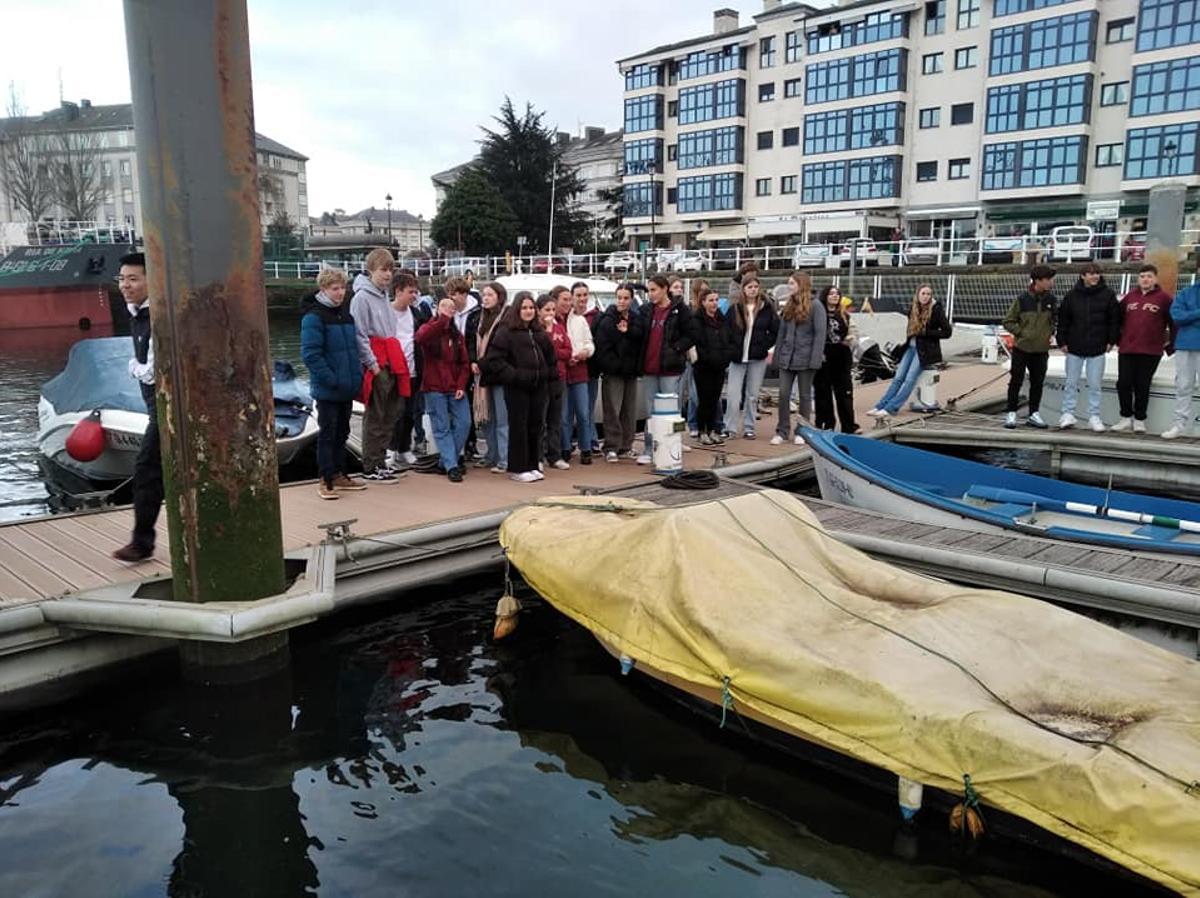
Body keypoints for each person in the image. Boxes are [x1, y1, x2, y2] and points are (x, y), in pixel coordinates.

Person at [301, 268, 367, 500]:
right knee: (328, 433)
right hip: (329, 388)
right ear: (323, 290)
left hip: (346, 386)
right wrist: (332, 379)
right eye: (335, 289)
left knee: (343, 432)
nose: (340, 293)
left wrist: (356, 376)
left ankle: (339, 474)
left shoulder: (346, 316)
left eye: (342, 288)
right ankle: (325, 479)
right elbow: (311, 354)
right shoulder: (314, 317)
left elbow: (354, 350)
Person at [112, 252, 162, 561]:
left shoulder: (157, 315)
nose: (125, 285)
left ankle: (142, 543)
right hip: (155, 405)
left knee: (146, 469)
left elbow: (151, 370)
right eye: (122, 279)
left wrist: (134, 366)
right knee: (153, 471)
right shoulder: (136, 313)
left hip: (168, 407)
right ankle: (142, 541)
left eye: (133, 279)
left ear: (150, 281)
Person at [483, 292, 554, 483]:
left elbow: (550, 358)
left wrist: (549, 377)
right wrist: (515, 376)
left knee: (535, 425)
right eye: (524, 308)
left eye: (531, 308)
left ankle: (532, 464)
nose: (528, 311)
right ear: (517, 309)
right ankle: (518, 467)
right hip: (517, 387)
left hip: (538, 386)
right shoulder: (506, 332)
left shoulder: (539, 332)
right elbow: (494, 360)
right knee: (518, 426)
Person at [351, 248, 408, 480]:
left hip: (391, 358)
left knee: (391, 412)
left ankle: (381, 459)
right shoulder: (361, 298)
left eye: (390, 270)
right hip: (377, 360)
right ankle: (371, 464)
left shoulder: (384, 295)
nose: (387, 275)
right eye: (383, 270)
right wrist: (372, 364)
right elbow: (359, 334)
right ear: (372, 270)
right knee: (376, 414)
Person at [868, 284, 952, 419]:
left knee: (909, 379)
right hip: (911, 347)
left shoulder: (936, 310)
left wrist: (926, 332)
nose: (926, 297)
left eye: (928, 294)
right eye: (923, 293)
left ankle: (892, 407)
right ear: (917, 294)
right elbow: (911, 331)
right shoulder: (913, 309)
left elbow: (947, 332)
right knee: (898, 377)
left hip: (924, 350)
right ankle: (881, 405)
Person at [636, 274, 696, 463]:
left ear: (664, 289)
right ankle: (649, 448)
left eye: (654, 290)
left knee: (671, 411)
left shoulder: (680, 310)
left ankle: (671, 447)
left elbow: (692, 334)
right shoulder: (646, 310)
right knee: (650, 411)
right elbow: (638, 331)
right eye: (649, 290)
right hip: (649, 368)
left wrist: (676, 348)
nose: (651, 294)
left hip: (670, 368)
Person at [1055, 262, 1118, 432]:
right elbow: (1063, 321)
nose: (1094, 276)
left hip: (1097, 347)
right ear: (1083, 276)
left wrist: (1112, 340)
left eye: (1097, 273)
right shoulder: (1071, 296)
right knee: (1070, 383)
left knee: (1095, 384)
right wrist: (1061, 341)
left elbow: (1114, 320)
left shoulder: (1108, 295)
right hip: (1074, 346)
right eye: (1090, 273)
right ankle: (1067, 413)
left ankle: (1094, 416)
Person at [415, 297, 471, 482]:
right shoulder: (430, 328)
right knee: (441, 427)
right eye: (444, 306)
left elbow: (464, 363)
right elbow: (421, 337)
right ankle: (452, 466)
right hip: (434, 386)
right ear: (437, 308)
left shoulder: (457, 336)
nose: (448, 309)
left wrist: (461, 385)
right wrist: (441, 321)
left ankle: (446, 460)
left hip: (454, 386)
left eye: (452, 307)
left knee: (464, 423)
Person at [1112, 263, 1174, 433]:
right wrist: (1117, 340)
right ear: (1138, 279)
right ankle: (1125, 417)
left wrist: (1171, 346)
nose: (1145, 279)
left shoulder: (1164, 299)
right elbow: (1117, 319)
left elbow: (1173, 323)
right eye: (1142, 276)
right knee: (1123, 383)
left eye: (1149, 276)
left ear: (1155, 279)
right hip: (1127, 348)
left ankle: (1139, 419)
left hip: (1151, 350)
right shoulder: (1129, 297)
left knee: (1142, 384)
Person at [772, 271, 826, 446]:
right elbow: (782, 333)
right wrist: (777, 355)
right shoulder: (788, 305)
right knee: (783, 394)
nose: (789, 287)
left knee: (804, 396)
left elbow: (820, 335)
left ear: (801, 285)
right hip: (787, 358)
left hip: (806, 358)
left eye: (792, 283)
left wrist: (815, 359)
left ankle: (803, 430)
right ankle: (782, 430)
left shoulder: (816, 306)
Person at [593, 282, 646, 461]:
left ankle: (626, 445)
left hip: (630, 371)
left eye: (626, 298)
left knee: (629, 409)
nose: (622, 301)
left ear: (631, 300)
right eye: (620, 298)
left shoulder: (636, 319)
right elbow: (603, 347)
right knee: (612, 409)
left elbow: (639, 339)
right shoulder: (607, 319)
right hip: (614, 371)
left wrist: (628, 332)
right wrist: (613, 365)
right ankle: (611, 446)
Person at [1001, 266, 1057, 429]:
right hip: (1022, 348)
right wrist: (1021, 333)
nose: (1051, 282)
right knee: (1016, 381)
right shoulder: (1022, 299)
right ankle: (1011, 412)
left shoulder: (1051, 300)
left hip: (1041, 350)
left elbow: (1054, 320)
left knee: (1037, 382)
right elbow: (1008, 321)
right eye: (1048, 279)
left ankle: (1034, 413)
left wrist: (1050, 332)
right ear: (1038, 281)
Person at [724, 272, 778, 439]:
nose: (753, 290)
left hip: (757, 357)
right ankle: (730, 427)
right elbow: (726, 331)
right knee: (733, 395)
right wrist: (731, 349)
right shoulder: (735, 308)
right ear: (743, 289)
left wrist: (763, 345)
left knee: (752, 394)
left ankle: (749, 426)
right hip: (738, 357)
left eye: (755, 287)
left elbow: (775, 330)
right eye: (749, 287)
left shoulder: (767, 308)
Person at [388, 272, 430, 468]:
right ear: (398, 291)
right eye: (410, 292)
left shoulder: (416, 314)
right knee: (393, 412)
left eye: (415, 292)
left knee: (410, 412)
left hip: (414, 370)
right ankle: (390, 449)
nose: (414, 296)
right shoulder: (386, 313)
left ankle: (404, 447)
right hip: (392, 371)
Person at [558, 283, 596, 465]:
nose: (567, 303)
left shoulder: (579, 320)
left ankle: (585, 448)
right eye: (564, 299)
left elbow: (589, 343)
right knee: (564, 414)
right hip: (563, 372)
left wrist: (585, 353)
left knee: (583, 412)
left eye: (568, 299)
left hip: (579, 370)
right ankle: (565, 447)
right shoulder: (553, 321)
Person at [813, 285, 860, 434]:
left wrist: (850, 339)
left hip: (841, 355)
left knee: (845, 393)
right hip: (824, 356)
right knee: (823, 393)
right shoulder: (818, 314)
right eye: (831, 294)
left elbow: (854, 332)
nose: (834, 296)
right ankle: (826, 424)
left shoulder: (844, 315)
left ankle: (849, 425)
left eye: (837, 294)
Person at [692, 287, 735, 445]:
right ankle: (701, 430)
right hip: (704, 366)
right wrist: (708, 358)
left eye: (716, 300)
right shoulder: (697, 320)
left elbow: (730, 340)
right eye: (711, 300)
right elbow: (698, 343)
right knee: (704, 399)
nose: (714, 303)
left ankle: (712, 429)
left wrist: (726, 357)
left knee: (715, 398)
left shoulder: (722, 320)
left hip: (720, 365)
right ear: (703, 302)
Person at [474, 282, 510, 472]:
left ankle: (504, 460)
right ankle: (492, 455)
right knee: (487, 419)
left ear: (499, 297)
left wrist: (481, 363)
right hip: (484, 376)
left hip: (499, 375)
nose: (485, 298)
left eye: (490, 295)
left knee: (502, 420)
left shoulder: (505, 319)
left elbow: (500, 348)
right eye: (484, 295)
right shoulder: (480, 319)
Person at [1164, 264, 1200, 440]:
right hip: (1185, 345)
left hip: (1189, 340)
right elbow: (1177, 316)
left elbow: (1184, 317)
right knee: (1183, 386)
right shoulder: (1186, 292)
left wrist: (1190, 317)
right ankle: (1179, 425)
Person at [448, 276, 481, 459]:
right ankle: (458, 445)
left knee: (468, 403)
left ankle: (470, 443)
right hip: (452, 364)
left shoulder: (476, 312)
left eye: (455, 295)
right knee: (456, 404)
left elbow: (474, 340)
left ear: (463, 295)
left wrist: (473, 360)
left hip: (469, 363)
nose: (451, 299)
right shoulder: (449, 311)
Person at [539, 294, 573, 469]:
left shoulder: (559, 329)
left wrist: (555, 353)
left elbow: (568, 351)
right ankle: (537, 457)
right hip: (541, 379)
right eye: (547, 310)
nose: (550, 313)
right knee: (540, 419)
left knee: (555, 418)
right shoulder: (537, 330)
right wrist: (555, 352)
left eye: (553, 309)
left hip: (558, 377)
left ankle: (555, 455)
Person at [684, 278, 711, 437]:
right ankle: (693, 422)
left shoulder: (711, 312)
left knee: (705, 392)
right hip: (692, 356)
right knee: (694, 393)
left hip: (707, 357)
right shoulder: (691, 311)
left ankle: (704, 424)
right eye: (701, 291)